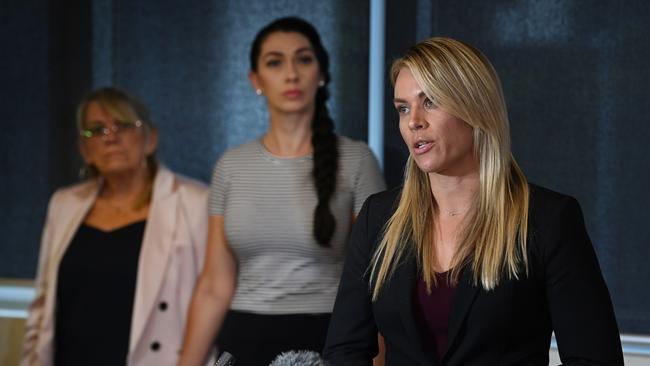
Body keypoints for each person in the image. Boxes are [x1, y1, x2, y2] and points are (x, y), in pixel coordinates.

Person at [323, 37, 624, 365]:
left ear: (475, 106)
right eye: (403, 108)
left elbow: (595, 359)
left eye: (431, 102)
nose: (414, 122)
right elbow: (345, 350)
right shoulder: (378, 218)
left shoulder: (547, 220)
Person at [178, 17, 386, 366]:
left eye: (303, 59)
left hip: (328, 341)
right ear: (255, 80)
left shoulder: (357, 160)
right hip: (242, 342)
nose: (291, 73)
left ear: (321, 72)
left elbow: (379, 283)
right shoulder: (231, 165)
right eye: (275, 62)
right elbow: (214, 283)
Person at [21, 87, 210, 366]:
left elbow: (213, 303)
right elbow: (42, 305)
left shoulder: (195, 202)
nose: (110, 137)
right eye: (96, 130)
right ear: (85, 151)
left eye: (122, 125)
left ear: (150, 139)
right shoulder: (64, 204)